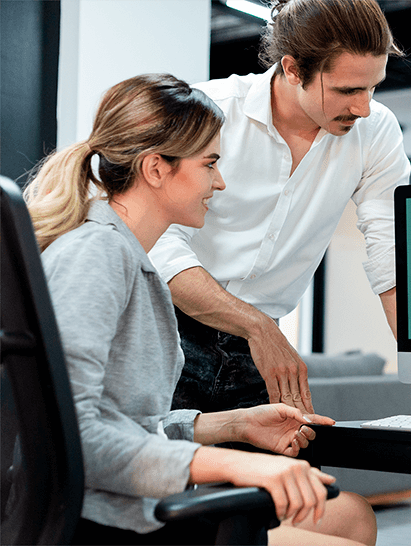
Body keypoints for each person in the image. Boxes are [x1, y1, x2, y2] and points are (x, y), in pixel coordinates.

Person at [23, 73, 376, 546]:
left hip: (128, 507)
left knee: (351, 516)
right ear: (155, 169)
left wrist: (237, 426)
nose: (221, 180)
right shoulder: (97, 255)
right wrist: (233, 462)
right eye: (209, 163)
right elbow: (69, 437)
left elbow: (127, 426)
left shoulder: (129, 259)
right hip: (107, 523)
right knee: (347, 529)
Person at [148, 0, 411, 421]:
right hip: (166, 328)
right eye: (347, 90)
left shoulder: (375, 133)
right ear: (292, 69)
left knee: (295, 484)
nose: (363, 107)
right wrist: (256, 326)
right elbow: (158, 243)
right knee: (153, 476)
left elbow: (392, 263)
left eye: (372, 87)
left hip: (260, 349)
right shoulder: (210, 112)